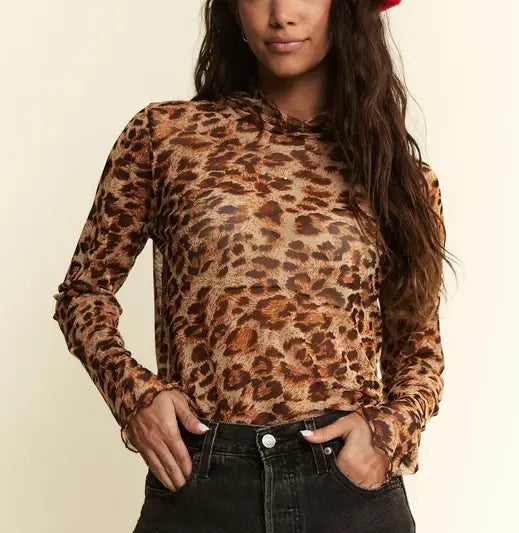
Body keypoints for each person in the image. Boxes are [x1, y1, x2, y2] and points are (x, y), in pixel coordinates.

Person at [52, 0, 456, 531]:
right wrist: (136, 398)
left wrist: (387, 435)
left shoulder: (398, 176)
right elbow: (83, 291)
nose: (280, 13)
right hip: (202, 484)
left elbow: (419, 353)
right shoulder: (167, 137)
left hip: (348, 494)